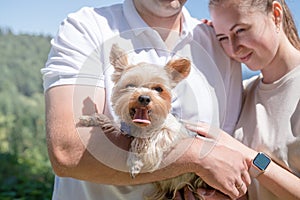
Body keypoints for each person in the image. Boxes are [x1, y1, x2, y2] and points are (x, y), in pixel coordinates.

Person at [41, 0, 251, 199]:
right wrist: (195, 157)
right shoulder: (87, 28)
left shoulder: (221, 43)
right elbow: (69, 151)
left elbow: (234, 159)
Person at [186, 0, 300, 199]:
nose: (234, 48)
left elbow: (250, 159)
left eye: (240, 30)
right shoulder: (242, 93)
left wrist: (249, 157)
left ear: (275, 14)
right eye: (222, 38)